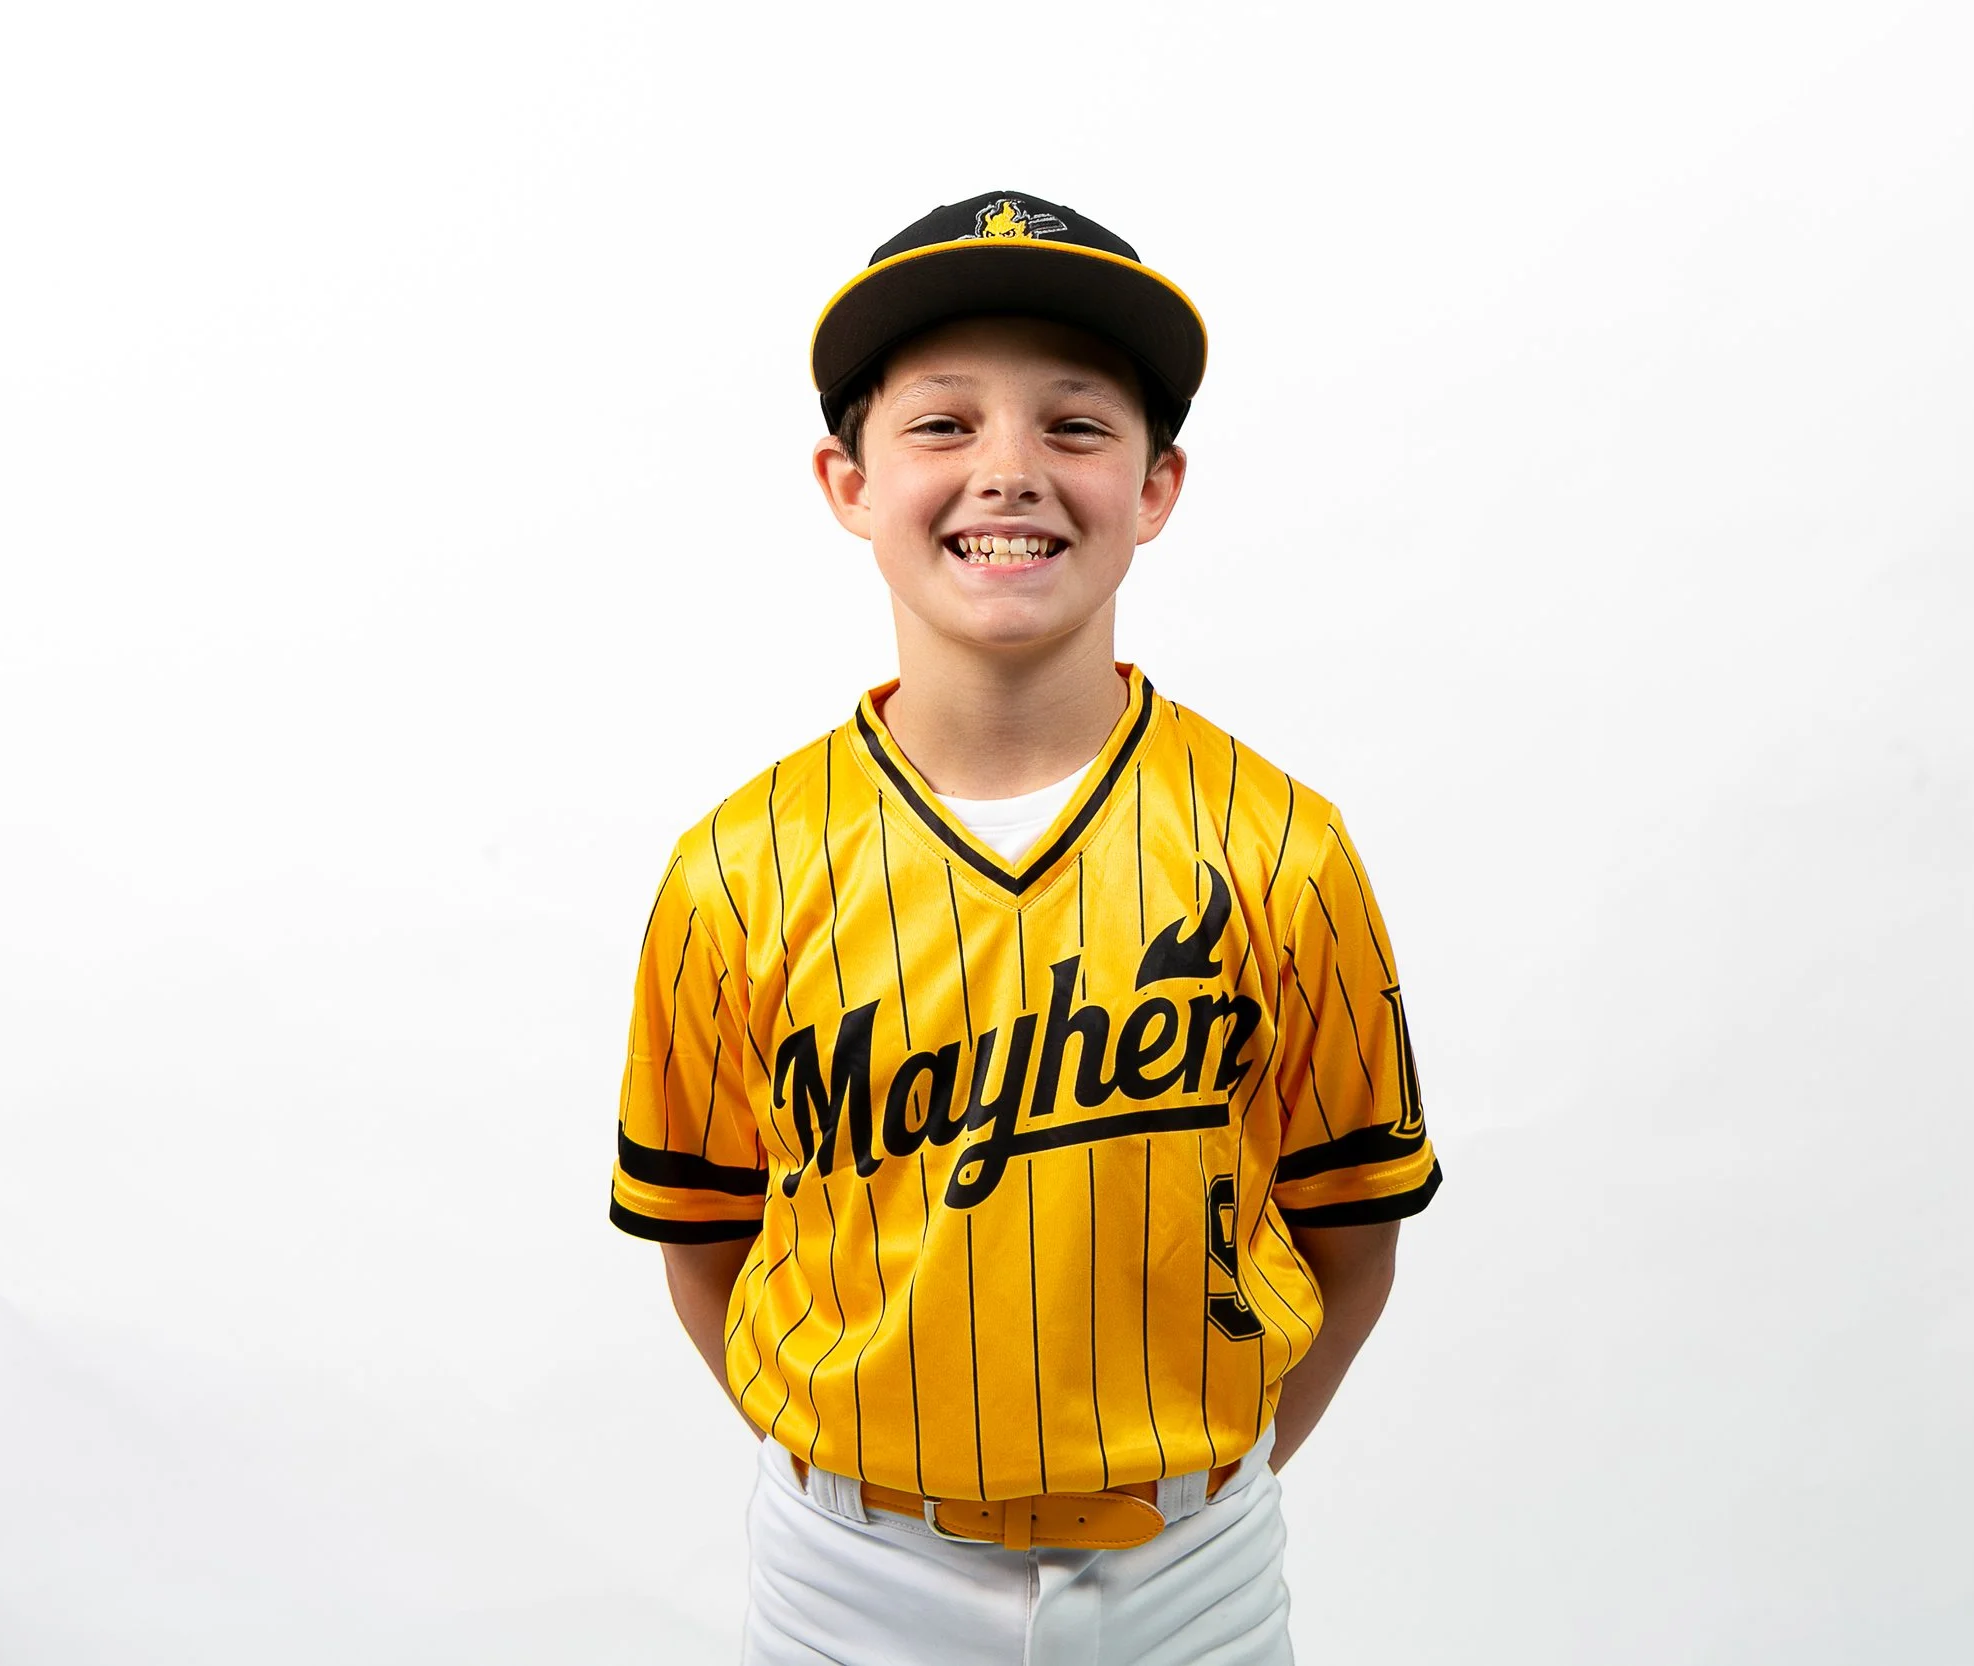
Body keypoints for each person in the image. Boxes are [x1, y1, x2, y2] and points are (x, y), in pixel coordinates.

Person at [609, 191, 1441, 1664]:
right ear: (846, 479)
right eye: (941, 425)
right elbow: (709, 1241)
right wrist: (868, 1458)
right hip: (850, 1569)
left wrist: (1203, 1481)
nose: (1009, 471)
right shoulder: (736, 871)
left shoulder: (1282, 851)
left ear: (1157, 483)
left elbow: (1350, 1230)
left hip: (1194, 1567)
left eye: (1074, 426)